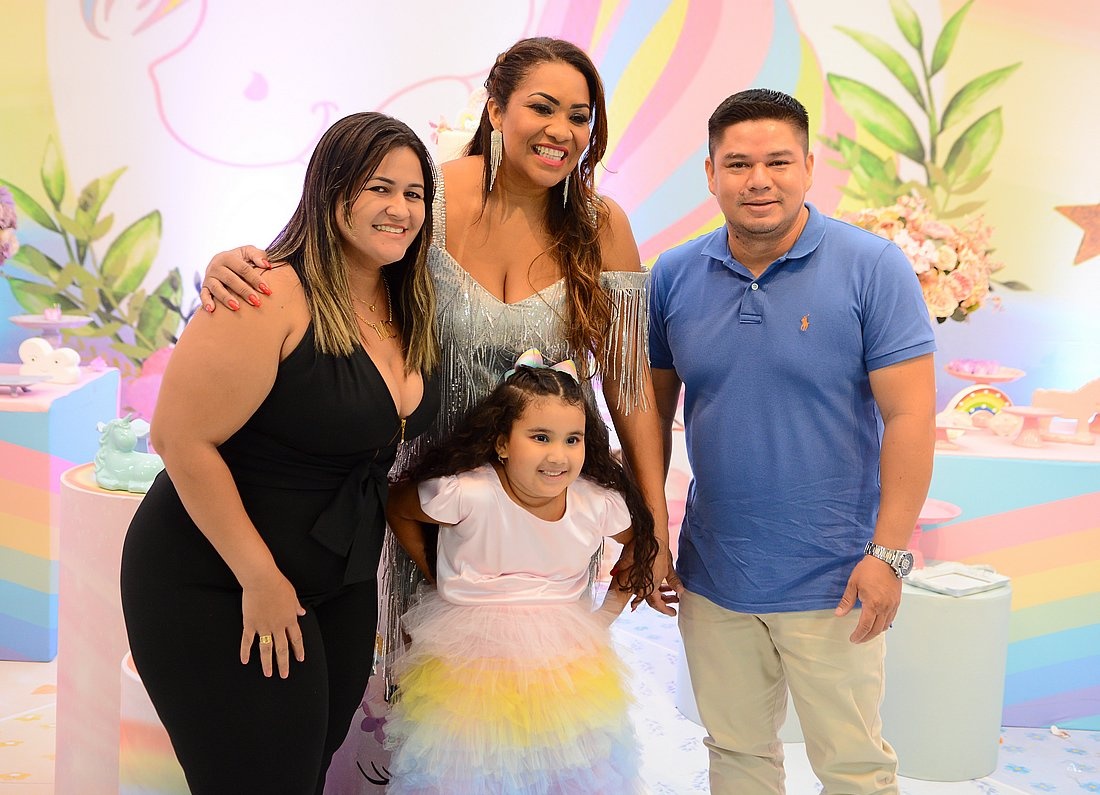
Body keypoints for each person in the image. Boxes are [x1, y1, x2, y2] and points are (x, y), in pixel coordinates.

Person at [119, 112, 441, 795]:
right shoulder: (265, 292)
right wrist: (259, 578)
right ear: (331, 190)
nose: (400, 208)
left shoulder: (407, 302)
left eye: (414, 193)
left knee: (305, 767)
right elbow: (179, 438)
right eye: (379, 188)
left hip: (339, 575)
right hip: (217, 576)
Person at [649, 89, 937, 795]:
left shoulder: (873, 267)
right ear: (710, 172)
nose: (759, 180)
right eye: (738, 163)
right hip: (714, 575)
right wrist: (651, 533)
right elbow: (649, 417)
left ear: (808, 167)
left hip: (836, 576)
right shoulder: (673, 275)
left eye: (778, 161)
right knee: (737, 754)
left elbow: (910, 416)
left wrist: (888, 553)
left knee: (854, 766)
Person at [383, 355, 657, 793]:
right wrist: (438, 574)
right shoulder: (469, 493)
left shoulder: (594, 503)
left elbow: (640, 541)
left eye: (573, 439)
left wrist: (605, 615)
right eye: (540, 437)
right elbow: (398, 505)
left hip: (565, 656)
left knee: (564, 764)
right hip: (469, 653)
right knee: (474, 767)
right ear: (502, 443)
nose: (558, 455)